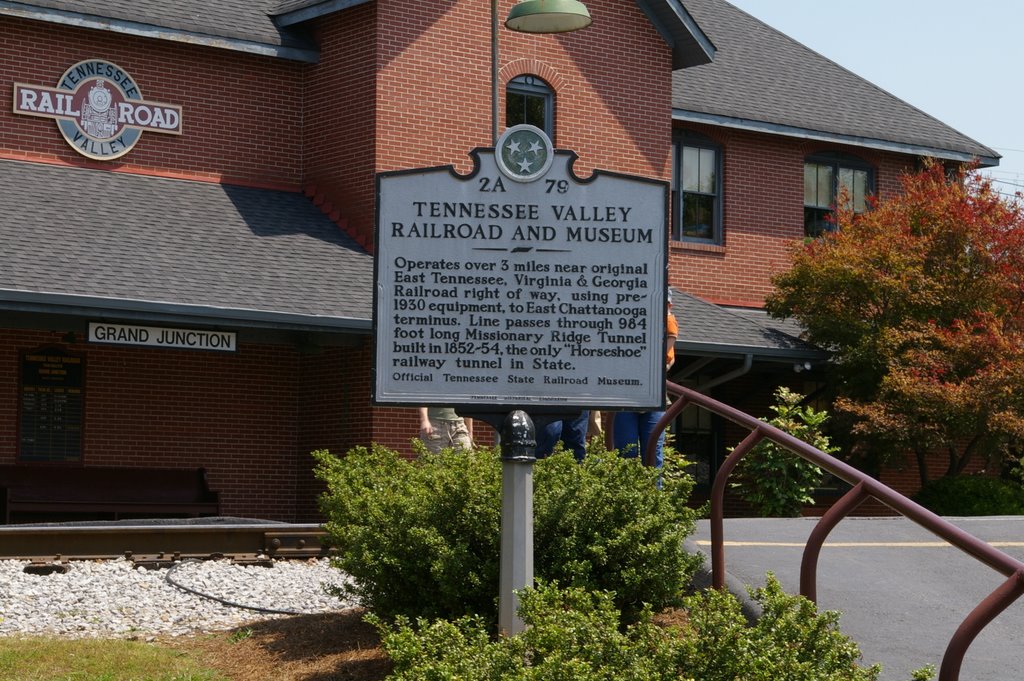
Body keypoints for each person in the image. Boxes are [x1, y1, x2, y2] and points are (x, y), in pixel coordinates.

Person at [612, 289, 678, 468]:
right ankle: (625, 493)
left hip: (652, 396)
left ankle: (653, 494)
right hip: (627, 395)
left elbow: (664, 359)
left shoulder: (668, 323)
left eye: (664, 304)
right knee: (626, 451)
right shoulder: (633, 320)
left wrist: (667, 318)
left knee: (652, 453)